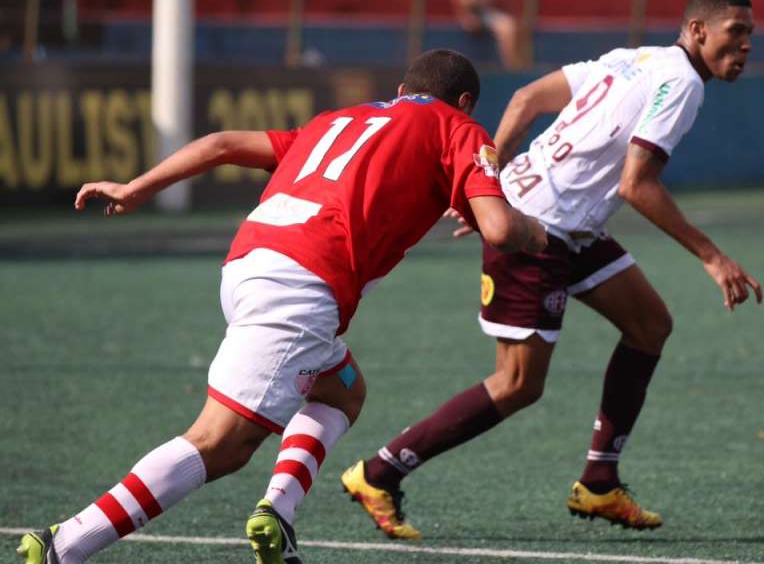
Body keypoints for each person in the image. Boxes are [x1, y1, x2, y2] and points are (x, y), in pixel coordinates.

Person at [17, 49, 548, 564]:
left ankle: (278, 512)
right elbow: (500, 228)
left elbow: (222, 143)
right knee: (219, 443)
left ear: (401, 92)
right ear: (465, 102)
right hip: (301, 286)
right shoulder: (458, 129)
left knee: (342, 390)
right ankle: (65, 545)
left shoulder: (339, 119)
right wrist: (535, 232)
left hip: (248, 263)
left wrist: (137, 188)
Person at [341, 0, 763, 539]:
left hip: (568, 225)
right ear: (697, 30)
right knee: (517, 383)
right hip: (538, 230)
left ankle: (599, 483)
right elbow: (638, 186)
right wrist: (713, 257)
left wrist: (490, 183)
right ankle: (378, 473)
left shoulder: (633, 59)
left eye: (750, 36)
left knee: (649, 325)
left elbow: (524, 101)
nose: (746, 46)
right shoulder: (681, 82)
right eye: (736, 33)